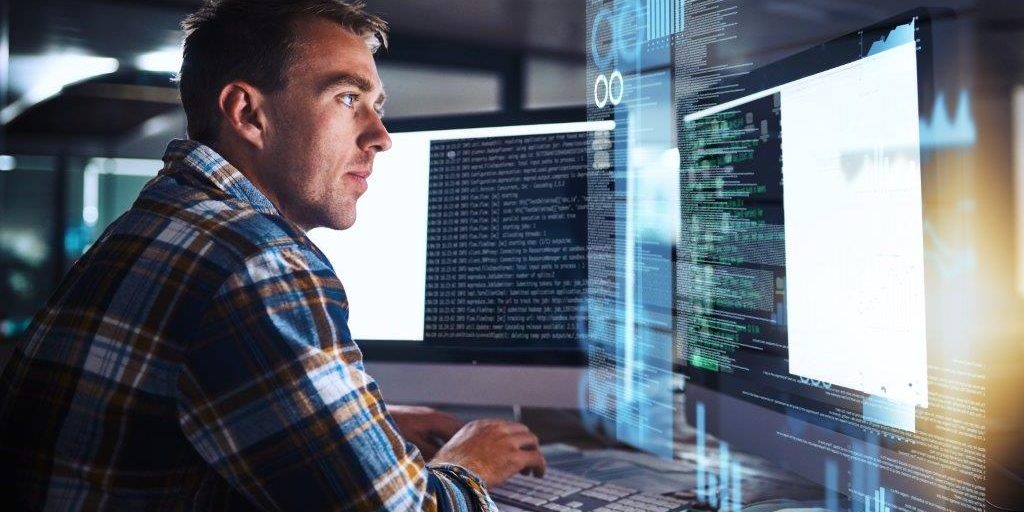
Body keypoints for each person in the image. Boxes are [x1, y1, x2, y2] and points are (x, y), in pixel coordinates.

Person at [0, 1, 546, 510]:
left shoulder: (163, 222)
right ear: (246, 113)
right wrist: (470, 460)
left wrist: (368, 425)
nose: (381, 136)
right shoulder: (257, 262)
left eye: (376, 106)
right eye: (348, 98)